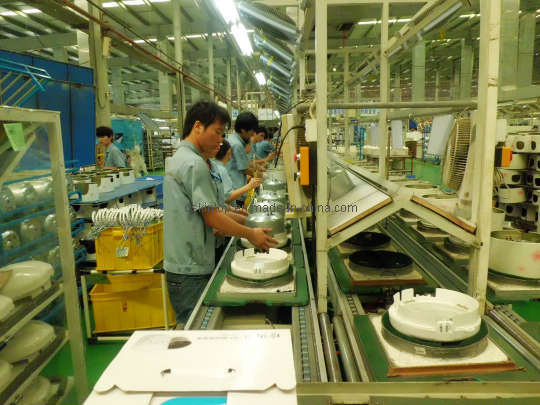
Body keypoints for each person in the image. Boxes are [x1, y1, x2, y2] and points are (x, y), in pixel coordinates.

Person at [164, 102, 276, 327]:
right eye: (217, 132)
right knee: (192, 331)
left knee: (198, 326)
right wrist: (250, 233)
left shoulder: (195, 160)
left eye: (223, 134)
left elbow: (217, 208)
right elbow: (212, 216)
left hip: (193, 261)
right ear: (197, 126)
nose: (220, 140)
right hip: (188, 266)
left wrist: (250, 221)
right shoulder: (193, 164)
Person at [226, 112, 259, 206]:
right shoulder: (237, 145)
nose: (253, 134)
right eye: (251, 131)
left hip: (233, 189)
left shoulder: (233, 139)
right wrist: (263, 177)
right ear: (243, 130)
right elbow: (245, 169)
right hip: (236, 191)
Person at [213, 140, 261, 204]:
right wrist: (249, 186)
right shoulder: (221, 170)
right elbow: (226, 197)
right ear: (229, 153)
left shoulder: (215, 165)